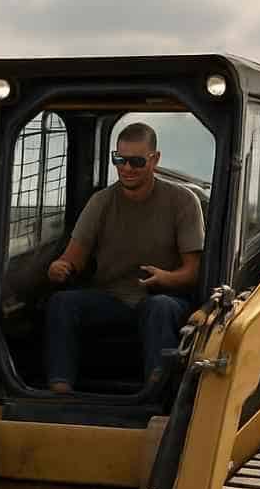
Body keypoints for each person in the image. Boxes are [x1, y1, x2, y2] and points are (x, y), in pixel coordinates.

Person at [43, 122, 204, 393]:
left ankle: (157, 392)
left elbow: (193, 272)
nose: (126, 168)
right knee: (62, 303)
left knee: (160, 308)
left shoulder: (183, 202)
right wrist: (58, 268)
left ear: (155, 159)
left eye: (136, 161)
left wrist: (165, 278)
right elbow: (73, 259)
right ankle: (60, 391)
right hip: (112, 298)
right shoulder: (101, 202)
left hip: (162, 299)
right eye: (119, 159)